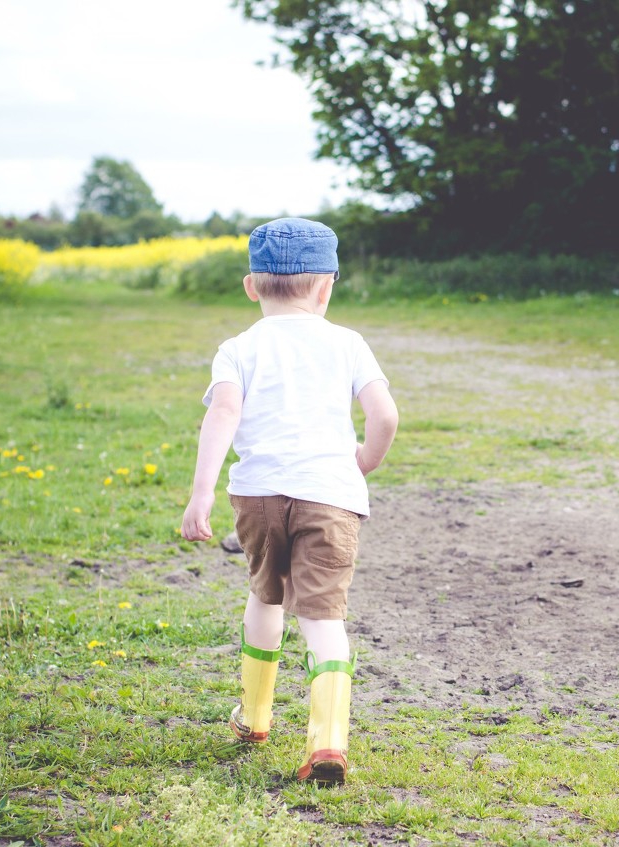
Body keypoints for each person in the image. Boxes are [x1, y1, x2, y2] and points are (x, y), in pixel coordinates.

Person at [180, 217, 398, 785]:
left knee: (266, 594)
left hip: (258, 496)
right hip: (330, 496)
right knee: (323, 616)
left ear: (251, 286)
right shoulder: (348, 343)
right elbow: (385, 416)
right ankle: (327, 743)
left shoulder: (237, 348)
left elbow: (222, 414)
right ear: (327, 286)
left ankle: (254, 717)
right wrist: (365, 461)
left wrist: (201, 491)